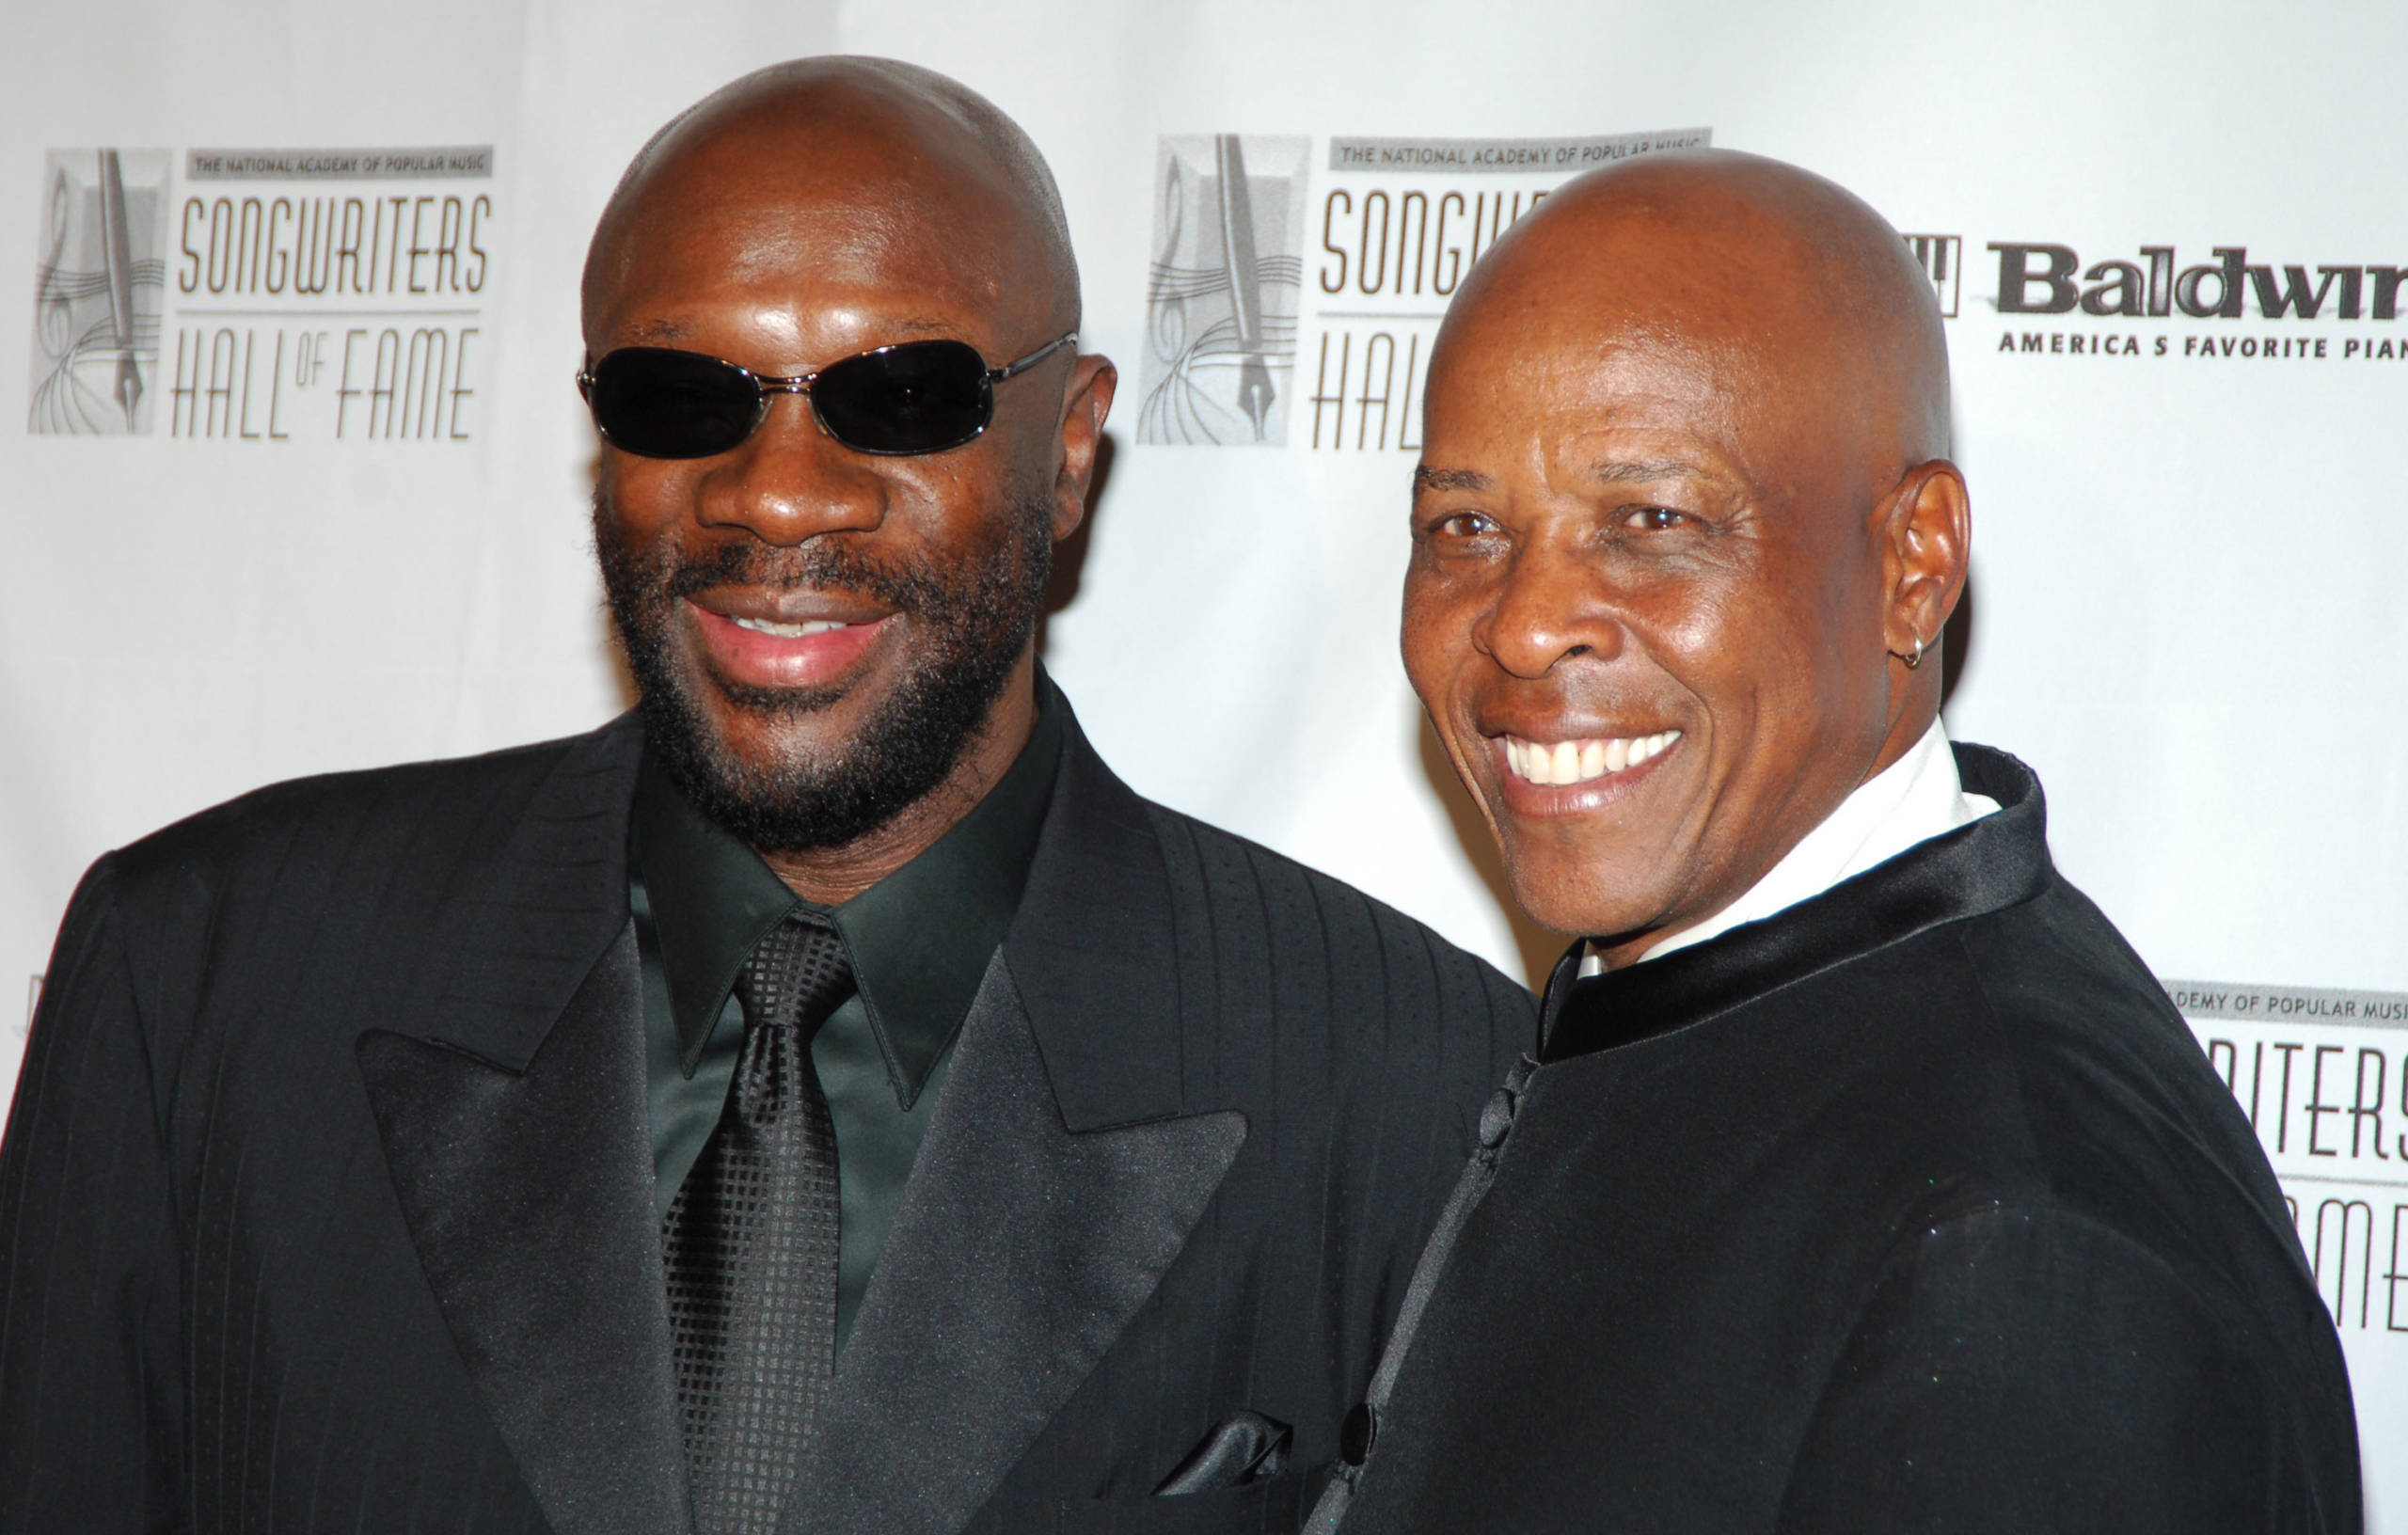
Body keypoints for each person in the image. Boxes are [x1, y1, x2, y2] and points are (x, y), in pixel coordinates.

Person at [0, 59, 1532, 1535]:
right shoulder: (203, 981)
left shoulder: (1416, 1085)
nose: (778, 491)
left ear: (1069, 450)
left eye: (905, 395)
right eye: (681, 396)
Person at [1308, 150, 2360, 1533]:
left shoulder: (2020, 1248)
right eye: (1465, 525)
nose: (1523, 621)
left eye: (1653, 521)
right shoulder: (1722, 999)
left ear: (1914, 566)